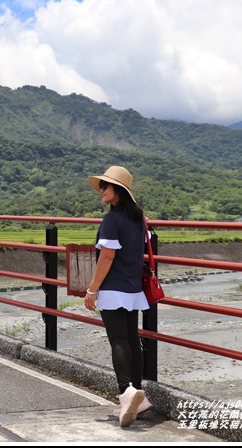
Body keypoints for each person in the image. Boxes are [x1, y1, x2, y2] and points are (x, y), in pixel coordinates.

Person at [85, 165, 153, 427]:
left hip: (113, 288)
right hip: (132, 287)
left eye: (105, 186)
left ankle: (126, 392)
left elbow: (107, 257)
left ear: (119, 190)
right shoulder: (139, 218)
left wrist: (92, 289)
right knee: (132, 340)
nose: (101, 190)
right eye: (100, 186)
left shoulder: (111, 220)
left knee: (118, 340)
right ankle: (138, 394)